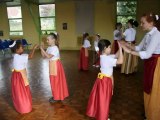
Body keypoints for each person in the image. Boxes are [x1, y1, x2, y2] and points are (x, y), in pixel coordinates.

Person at [120, 13, 160, 120]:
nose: (141, 25)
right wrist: (127, 44)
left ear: (151, 23)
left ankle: (153, 114)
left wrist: (129, 51)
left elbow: (147, 54)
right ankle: (148, 111)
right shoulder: (148, 34)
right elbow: (138, 47)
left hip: (156, 64)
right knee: (148, 86)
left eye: (143, 23)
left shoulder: (157, 35)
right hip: (150, 63)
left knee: (154, 89)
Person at [86, 39, 123, 120]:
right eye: (109, 47)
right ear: (105, 48)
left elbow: (116, 55)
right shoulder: (107, 59)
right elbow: (120, 61)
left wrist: (121, 47)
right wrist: (120, 48)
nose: (111, 49)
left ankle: (100, 114)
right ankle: (103, 117)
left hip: (103, 81)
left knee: (102, 99)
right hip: (105, 82)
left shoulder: (105, 56)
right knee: (104, 100)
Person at [40, 33, 69, 103]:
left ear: (53, 40)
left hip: (56, 65)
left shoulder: (55, 48)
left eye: (48, 39)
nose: (47, 41)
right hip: (52, 65)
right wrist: (42, 48)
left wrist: (42, 49)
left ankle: (57, 97)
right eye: (47, 40)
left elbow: (49, 56)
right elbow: (44, 56)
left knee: (56, 81)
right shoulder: (49, 47)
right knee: (53, 81)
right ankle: (56, 95)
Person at [10, 41, 38, 114]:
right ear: (17, 50)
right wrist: (34, 48)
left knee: (19, 92)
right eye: (22, 47)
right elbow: (31, 56)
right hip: (20, 77)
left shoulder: (16, 55)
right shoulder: (20, 57)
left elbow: (25, 55)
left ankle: (20, 106)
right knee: (22, 92)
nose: (23, 47)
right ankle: (25, 108)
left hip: (16, 76)